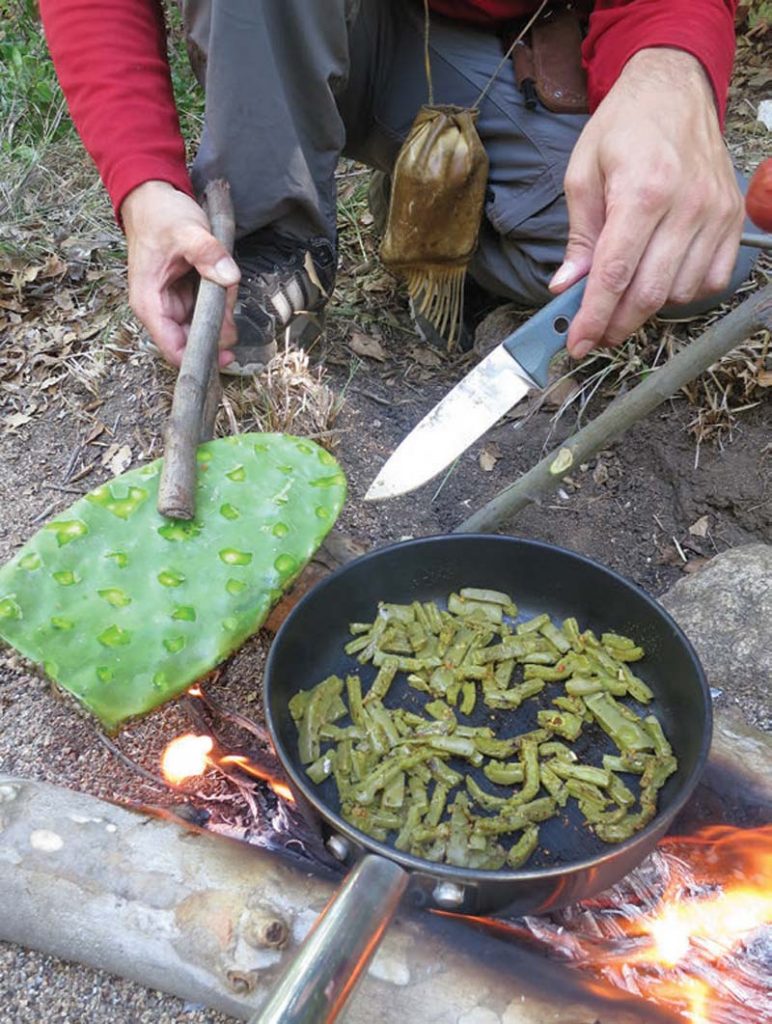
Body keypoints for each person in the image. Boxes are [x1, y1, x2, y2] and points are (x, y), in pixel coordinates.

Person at [39, 0, 750, 376]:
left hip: (495, 41)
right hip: (293, 30)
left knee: (689, 262)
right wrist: (144, 185)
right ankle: (271, 249)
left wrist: (669, 61)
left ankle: (434, 208)